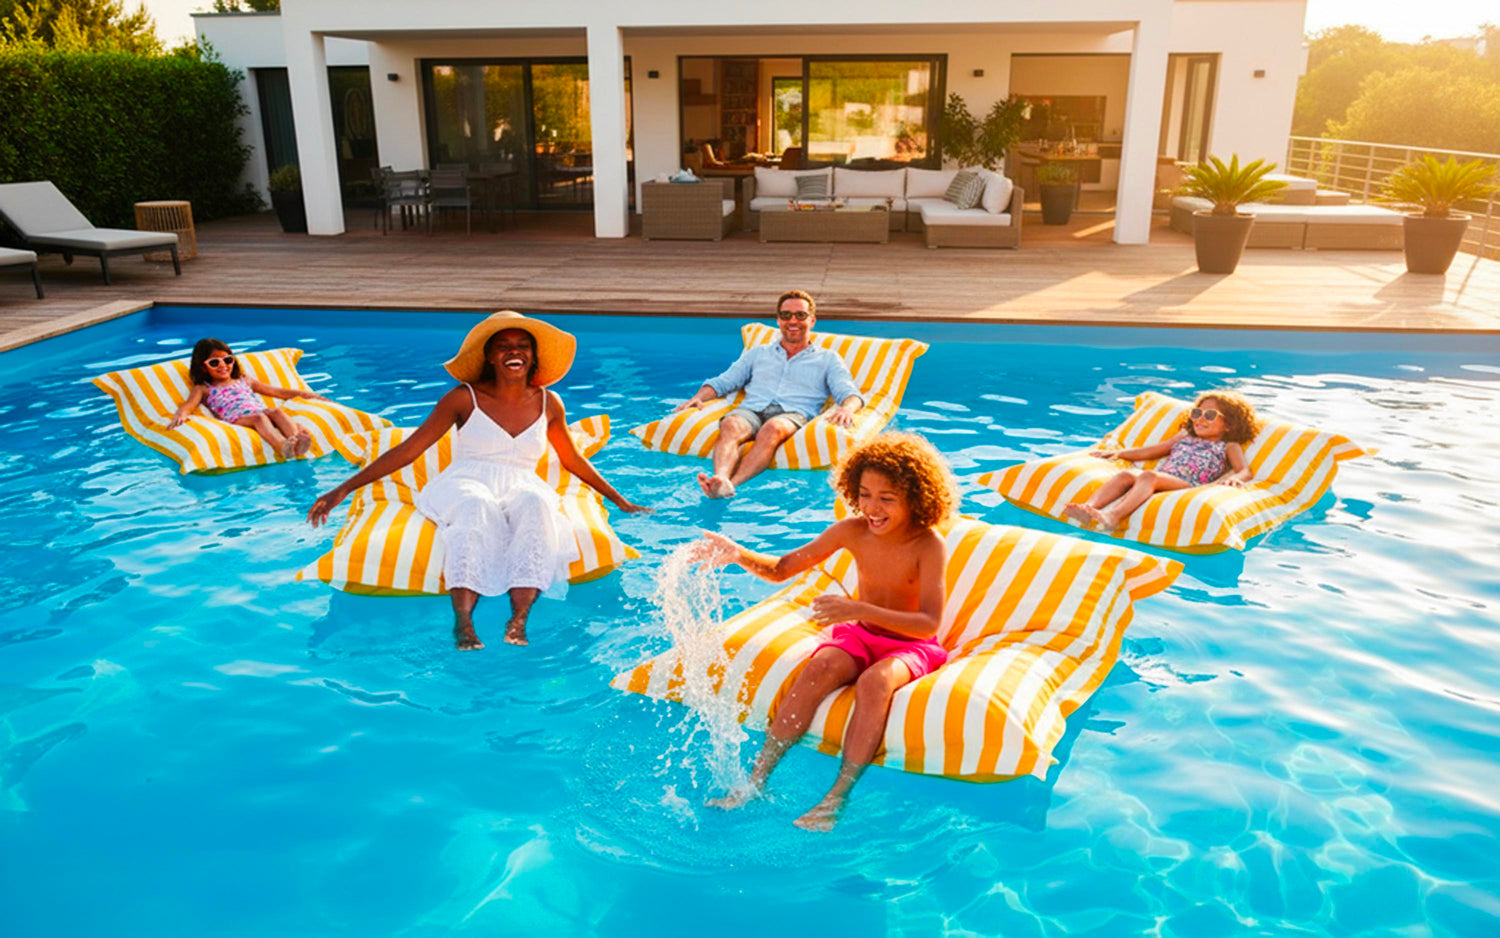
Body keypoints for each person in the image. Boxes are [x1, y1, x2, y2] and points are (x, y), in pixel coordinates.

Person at [307, 311, 649, 650]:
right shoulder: (463, 398)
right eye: (504, 346)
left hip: (522, 484)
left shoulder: (549, 402)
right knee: (476, 506)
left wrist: (619, 500)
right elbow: (410, 450)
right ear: (490, 356)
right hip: (466, 481)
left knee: (536, 506)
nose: (514, 352)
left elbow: (572, 459)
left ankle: (518, 620)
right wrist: (343, 488)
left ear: (533, 356)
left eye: (522, 346)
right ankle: (464, 622)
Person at [690, 432, 958, 830]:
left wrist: (856, 608)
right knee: (819, 667)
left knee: (875, 682)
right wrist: (738, 554)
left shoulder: (928, 544)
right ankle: (754, 781)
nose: (872, 508)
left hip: (910, 644)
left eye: (887, 498)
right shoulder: (852, 530)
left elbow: (929, 623)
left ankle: (836, 797)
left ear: (916, 498)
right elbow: (782, 569)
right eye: (864, 494)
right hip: (862, 633)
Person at [676, 290, 864, 499]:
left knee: (772, 428)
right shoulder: (759, 353)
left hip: (792, 413)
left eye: (800, 315)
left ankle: (731, 485)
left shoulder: (827, 359)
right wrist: (699, 397)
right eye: (786, 315)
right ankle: (720, 478)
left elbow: (849, 392)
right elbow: (724, 381)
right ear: (778, 320)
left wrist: (847, 408)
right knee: (730, 424)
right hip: (753, 409)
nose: (793, 321)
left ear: (812, 320)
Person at [1064, 390, 1261, 531]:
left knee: (1149, 476)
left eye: (1210, 415)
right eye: (1197, 413)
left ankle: (1113, 516)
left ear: (1229, 424)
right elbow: (1155, 450)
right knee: (1125, 475)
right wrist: (1121, 453)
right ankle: (1088, 508)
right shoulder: (1185, 436)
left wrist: (1235, 479)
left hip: (1188, 484)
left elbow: (1244, 470)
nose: (1200, 419)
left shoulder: (1228, 446)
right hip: (1161, 477)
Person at [167, 338, 319, 459]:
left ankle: (296, 440)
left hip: (261, 411)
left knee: (276, 412)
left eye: (227, 360)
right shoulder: (204, 388)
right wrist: (181, 415)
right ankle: (282, 447)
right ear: (203, 367)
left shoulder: (244, 379)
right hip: (237, 419)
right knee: (259, 418)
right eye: (214, 363)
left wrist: (309, 395)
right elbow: (189, 405)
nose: (223, 365)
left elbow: (277, 392)